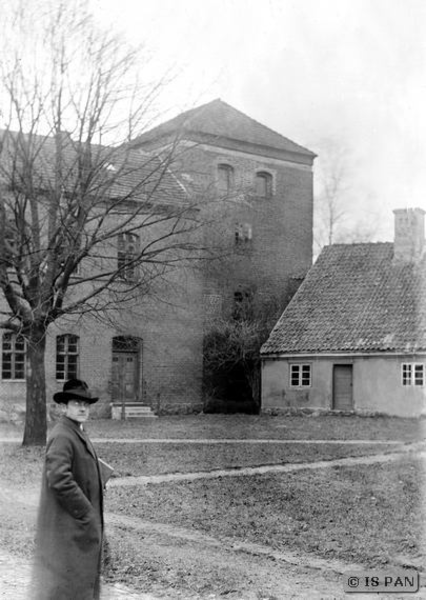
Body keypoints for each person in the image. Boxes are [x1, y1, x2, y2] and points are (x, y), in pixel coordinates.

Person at [33, 379, 104, 600]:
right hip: (68, 527)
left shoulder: (76, 430)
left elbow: (74, 466)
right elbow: (58, 478)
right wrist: (86, 512)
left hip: (76, 527)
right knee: (67, 588)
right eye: (76, 403)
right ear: (64, 407)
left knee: (77, 585)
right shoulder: (63, 434)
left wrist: (97, 474)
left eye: (86, 403)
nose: (83, 408)